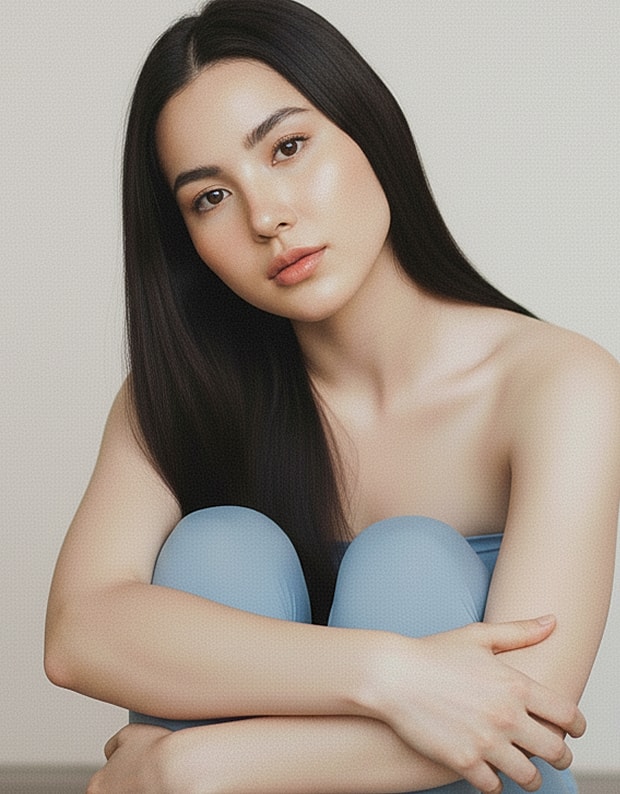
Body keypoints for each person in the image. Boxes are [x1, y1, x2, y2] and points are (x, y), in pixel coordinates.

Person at [44, 0, 619, 791]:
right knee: (220, 547)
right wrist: (389, 673)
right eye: (210, 197)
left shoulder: (558, 383)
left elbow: (527, 713)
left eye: (287, 147)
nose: (267, 216)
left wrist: (185, 766)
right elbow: (79, 634)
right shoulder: (180, 396)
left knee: (406, 564)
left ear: (368, 128)